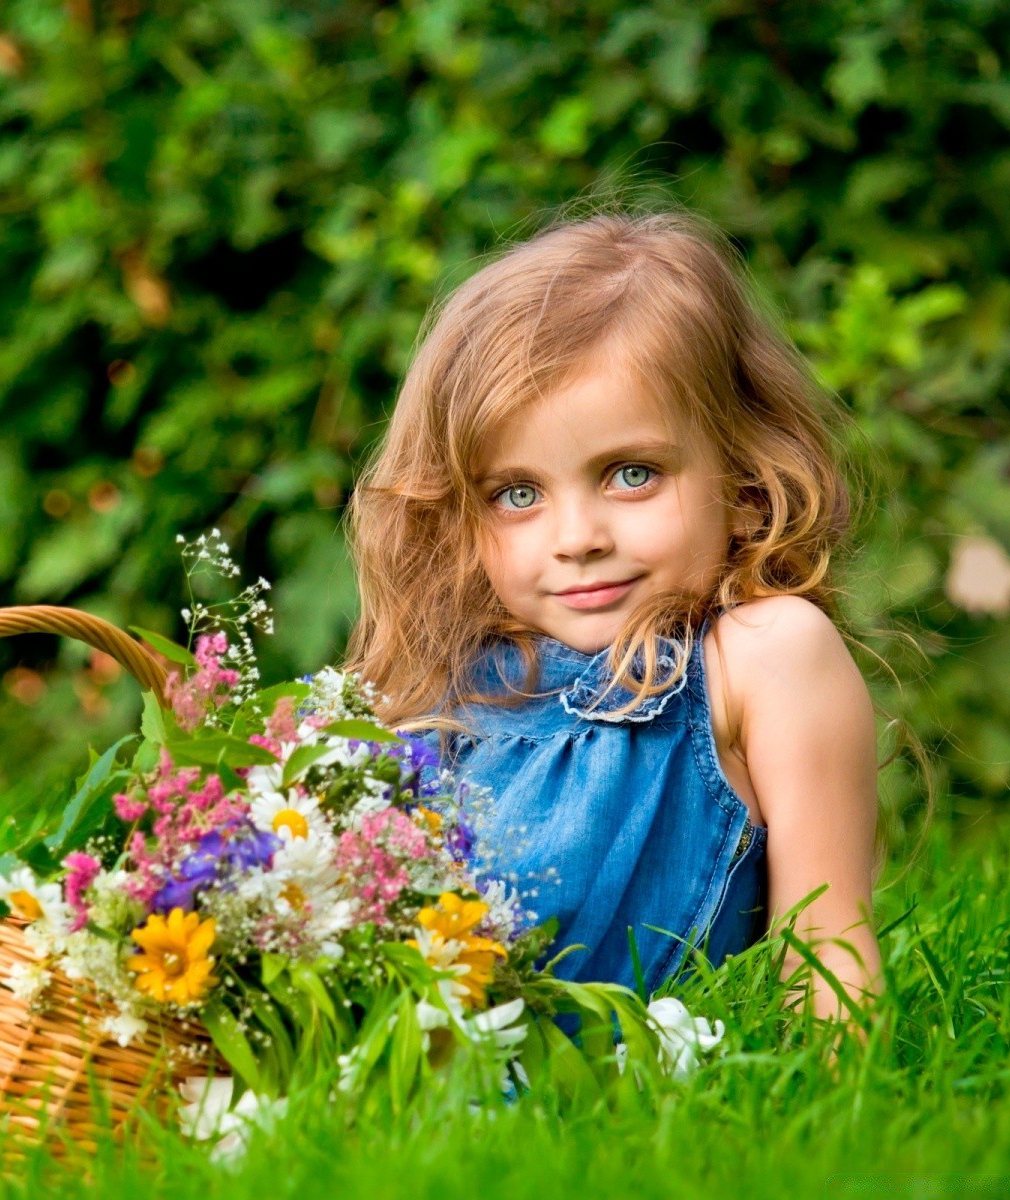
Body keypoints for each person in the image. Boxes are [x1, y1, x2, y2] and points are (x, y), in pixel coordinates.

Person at [346, 210, 883, 1018]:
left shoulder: (760, 658)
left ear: (743, 483)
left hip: (615, 1099)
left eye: (631, 474)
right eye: (517, 494)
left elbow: (829, 955)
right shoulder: (455, 686)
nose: (577, 539)